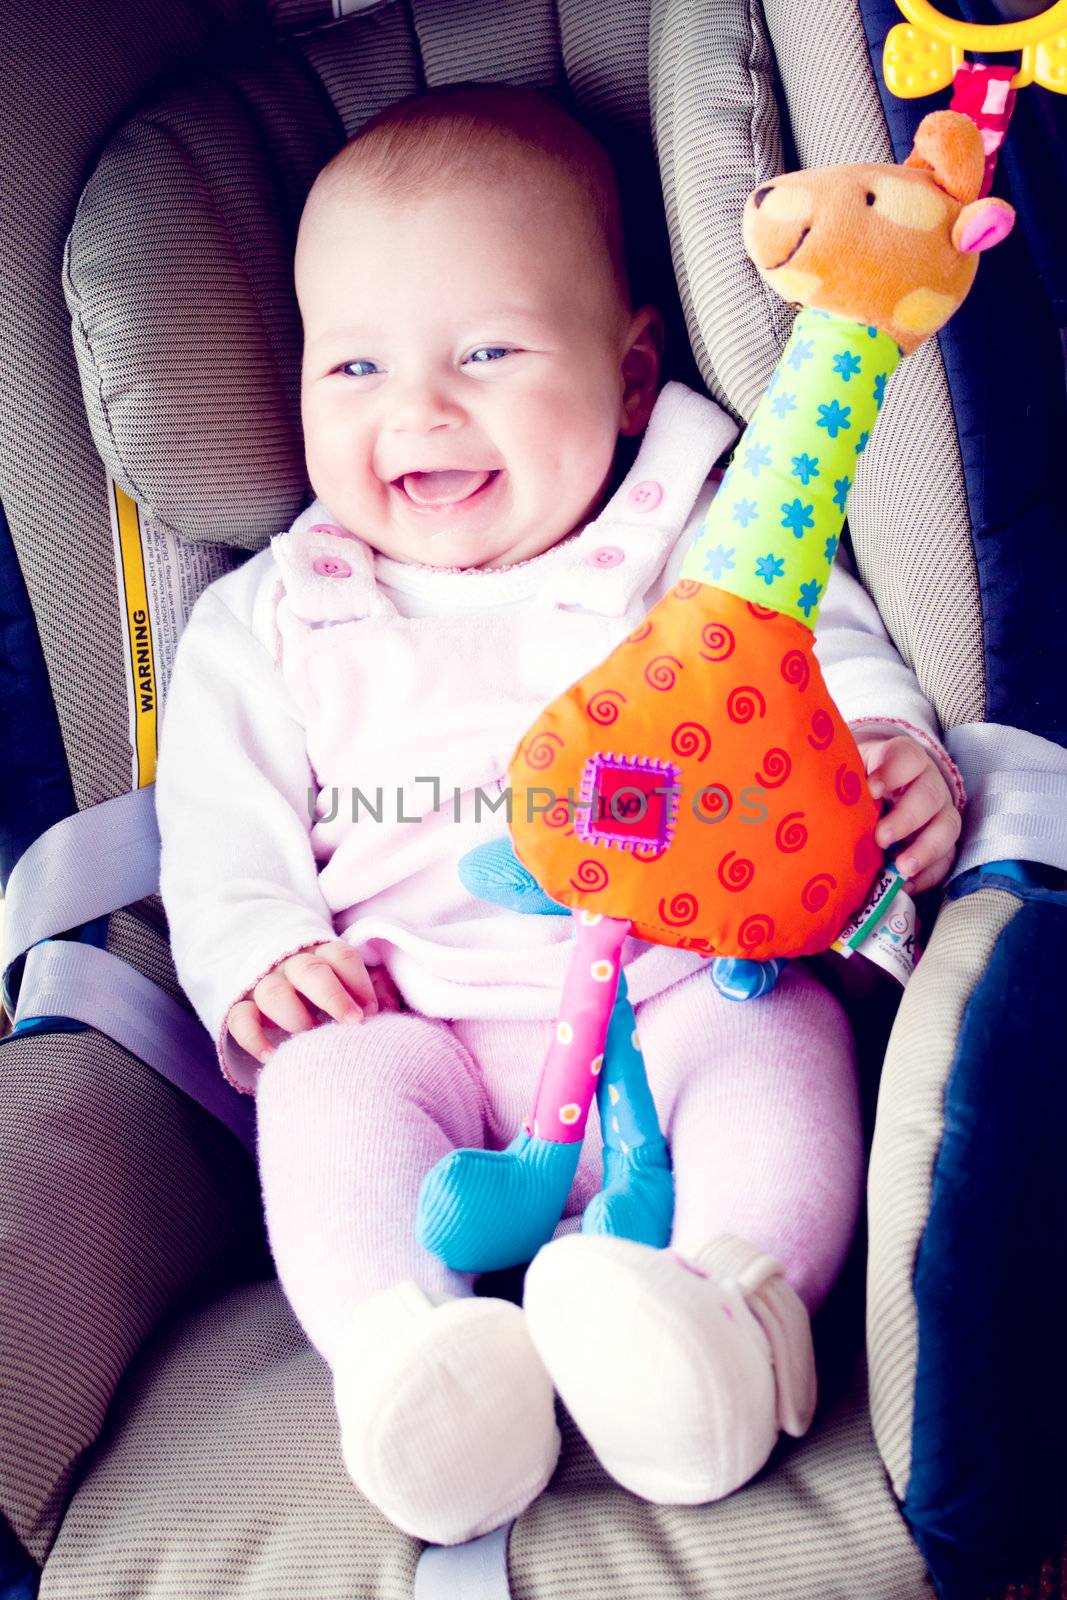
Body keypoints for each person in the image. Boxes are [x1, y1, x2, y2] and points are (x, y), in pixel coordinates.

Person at [155, 83, 965, 1546]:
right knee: (324, 1097)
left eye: (487, 351)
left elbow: (812, 656)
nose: (418, 409)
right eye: (351, 366)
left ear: (633, 373)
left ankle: (724, 1320)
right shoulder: (276, 615)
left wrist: (884, 747)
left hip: (680, 977)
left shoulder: (701, 531)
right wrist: (266, 953)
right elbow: (221, 831)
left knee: (781, 1043)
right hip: (420, 1017)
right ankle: (414, 1363)